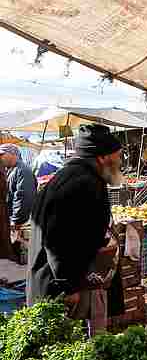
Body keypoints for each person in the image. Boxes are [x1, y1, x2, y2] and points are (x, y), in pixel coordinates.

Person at [27, 125, 126, 331]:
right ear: (102, 157)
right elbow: (57, 239)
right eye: (118, 156)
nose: (120, 161)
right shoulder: (83, 183)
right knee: (70, 350)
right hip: (65, 287)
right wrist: (68, 286)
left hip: (61, 281)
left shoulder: (72, 176)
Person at [1, 144, 37, 229]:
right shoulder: (11, 170)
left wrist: (16, 220)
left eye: (2, 155)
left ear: (13, 154)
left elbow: (23, 197)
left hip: (21, 223)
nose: (1, 158)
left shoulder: (22, 171)